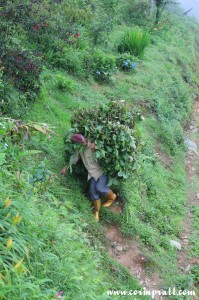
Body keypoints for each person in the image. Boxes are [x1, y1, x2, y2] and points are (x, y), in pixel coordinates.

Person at [61, 134, 116, 222]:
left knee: (100, 188)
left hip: (101, 172)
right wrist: (65, 167)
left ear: (84, 141)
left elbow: (105, 158)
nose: (79, 146)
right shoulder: (79, 149)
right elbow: (74, 160)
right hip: (91, 174)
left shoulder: (94, 144)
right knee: (93, 193)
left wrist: (94, 150)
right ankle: (96, 212)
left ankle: (112, 197)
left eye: (80, 144)